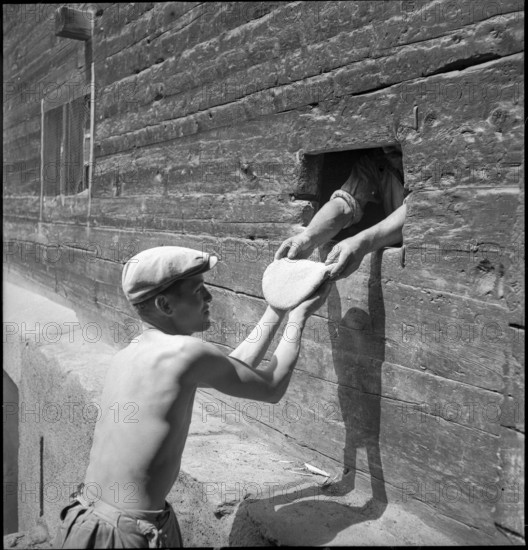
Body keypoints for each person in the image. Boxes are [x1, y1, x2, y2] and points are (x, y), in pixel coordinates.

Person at [53, 245, 331, 548]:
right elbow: (272, 386)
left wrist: (276, 308)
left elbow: (231, 367)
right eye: (198, 290)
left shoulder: (133, 352)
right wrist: (299, 316)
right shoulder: (187, 353)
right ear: (165, 305)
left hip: (83, 520)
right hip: (124, 534)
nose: (209, 298)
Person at [275, 147, 409, 279]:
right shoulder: (377, 159)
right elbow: (346, 204)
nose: (387, 147)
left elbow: (417, 211)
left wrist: (361, 242)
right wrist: (309, 236)